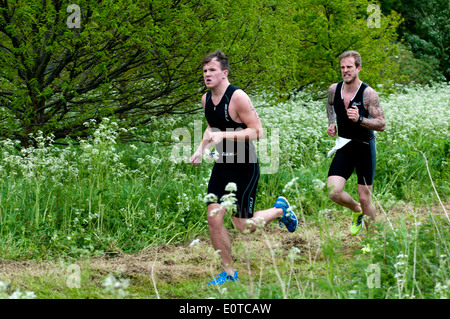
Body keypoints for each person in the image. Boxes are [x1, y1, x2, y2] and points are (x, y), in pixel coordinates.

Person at [190, 50, 298, 285]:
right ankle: (229, 273)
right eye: (205, 71)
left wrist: (226, 135)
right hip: (222, 166)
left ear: (224, 73)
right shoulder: (206, 99)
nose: (207, 75)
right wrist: (200, 148)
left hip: (244, 167)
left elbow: (257, 131)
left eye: (212, 71)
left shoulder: (237, 97)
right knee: (213, 217)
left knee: (245, 226)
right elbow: (211, 128)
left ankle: (281, 211)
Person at [326, 50, 386, 236]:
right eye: (343, 67)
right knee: (333, 192)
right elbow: (330, 104)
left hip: (364, 147)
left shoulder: (368, 94)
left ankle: (372, 241)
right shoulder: (334, 89)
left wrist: (360, 119)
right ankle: (356, 210)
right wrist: (331, 122)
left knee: (365, 196)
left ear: (358, 68)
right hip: (344, 145)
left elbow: (382, 124)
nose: (345, 71)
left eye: (349, 67)